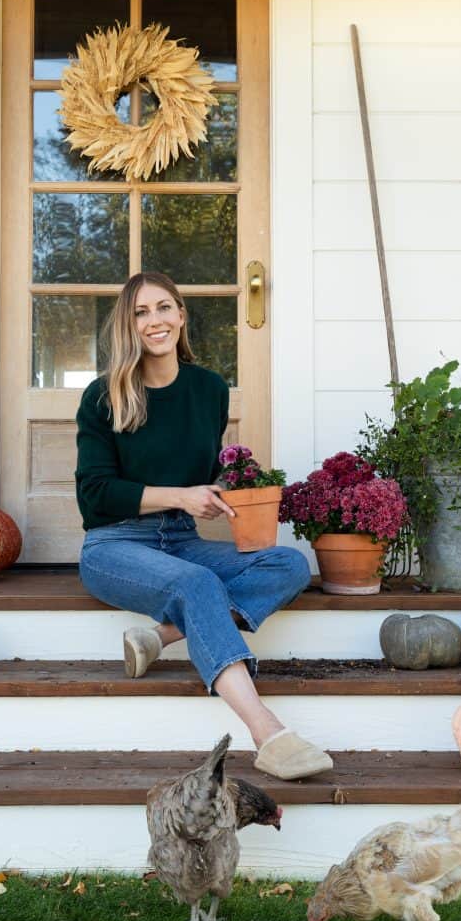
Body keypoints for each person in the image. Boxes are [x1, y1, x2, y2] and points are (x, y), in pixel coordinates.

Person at [75, 272, 333, 781]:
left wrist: (221, 494)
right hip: (114, 545)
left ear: (181, 315)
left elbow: (201, 471)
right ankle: (267, 732)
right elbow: (95, 495)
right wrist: (181, 497)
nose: (155, 321)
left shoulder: (209, 389)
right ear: (128, 326)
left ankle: (165, 635)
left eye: (164, 307)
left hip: (183, 540)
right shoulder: (104, 395)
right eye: (141, 312)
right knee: (198, 584)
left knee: (288, 562)